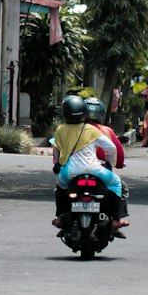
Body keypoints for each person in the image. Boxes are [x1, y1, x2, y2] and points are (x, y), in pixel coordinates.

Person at [52, 94, 129, 230]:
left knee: (59, 186)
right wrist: (109, 162)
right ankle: (116, 220)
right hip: (94, 169)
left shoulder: (60, 129)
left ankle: (60, 217)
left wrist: (57, 164)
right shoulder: (92, 130)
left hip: (70, 171)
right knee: (117, 183)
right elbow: (111, 148)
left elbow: (56, 149)